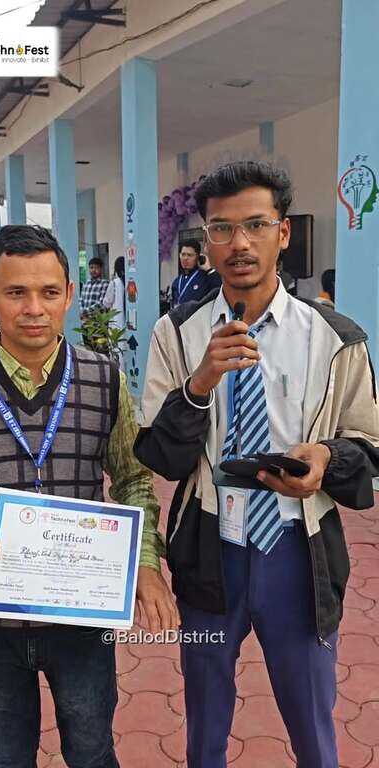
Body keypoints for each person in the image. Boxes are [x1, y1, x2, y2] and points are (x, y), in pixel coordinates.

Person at [134, 160, 379, 768]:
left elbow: (369, 441)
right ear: (206, 240)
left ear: (283, 232)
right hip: (210, 552)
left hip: (298, 553)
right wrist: (199, 384)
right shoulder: (176, 333)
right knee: (205, 714)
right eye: (221, 228)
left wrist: (327, 458)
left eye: (256, 225)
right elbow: (159, 455)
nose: (239, 243)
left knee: (311, 719)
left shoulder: (336, 337)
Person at [0, 224, 177, 768]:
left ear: (69, 295)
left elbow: (133, 479)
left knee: (93, 751)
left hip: (82, 617)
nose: (34, 309)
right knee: (7, 756)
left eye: (49, 292)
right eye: (16, 292)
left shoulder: (104, 378)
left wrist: (146, 563)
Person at [171, 239, 220, 306]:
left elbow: (220, 291)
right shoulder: (176, 282)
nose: (185, 258)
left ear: (198, 257)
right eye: (183, 254)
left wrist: (209, 269)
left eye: (190, 255)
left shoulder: (206, 278)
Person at [103, 256, 126, 370]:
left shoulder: (115, 283)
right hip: (127, 323)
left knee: (116, 351)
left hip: (116, 324)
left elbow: (106, 302)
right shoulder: (131, 281)